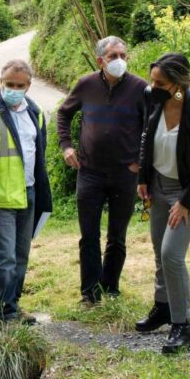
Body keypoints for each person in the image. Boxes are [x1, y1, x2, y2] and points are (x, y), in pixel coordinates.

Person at [135, 52, 190, 354]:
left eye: (159, 82)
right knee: (159, 252)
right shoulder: (154, 98)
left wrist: (186, 203)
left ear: (178, 83)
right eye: (152, 80)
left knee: (172, 254)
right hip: (157, 185)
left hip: (188, 191)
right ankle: (163, 307)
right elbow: (147, 137)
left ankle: (183, 327)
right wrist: (143, 178)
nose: (152, 86)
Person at [56, 36, 148, 304]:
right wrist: (66, 146)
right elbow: (64, 113)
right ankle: (90, 293)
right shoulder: (86, 85)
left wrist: (141, 161)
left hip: (124, 174)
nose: (119, 60)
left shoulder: (140, 88)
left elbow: (151, 127)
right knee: (89, 236)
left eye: (123, 55)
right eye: (113, 56)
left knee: (117, 236)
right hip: (90, 172)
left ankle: (111, 287)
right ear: (100, 60)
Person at [0, 59, 52, 324]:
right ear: (0, 82)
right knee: (4, 258)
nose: (13, 89)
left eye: (19, 85)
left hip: (28, 195)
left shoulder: (34, 113)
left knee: (21, 257)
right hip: (0, 198)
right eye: (9, 84)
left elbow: (39, 156)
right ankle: (4, 312)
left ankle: (12, 306)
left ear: (28, 86)